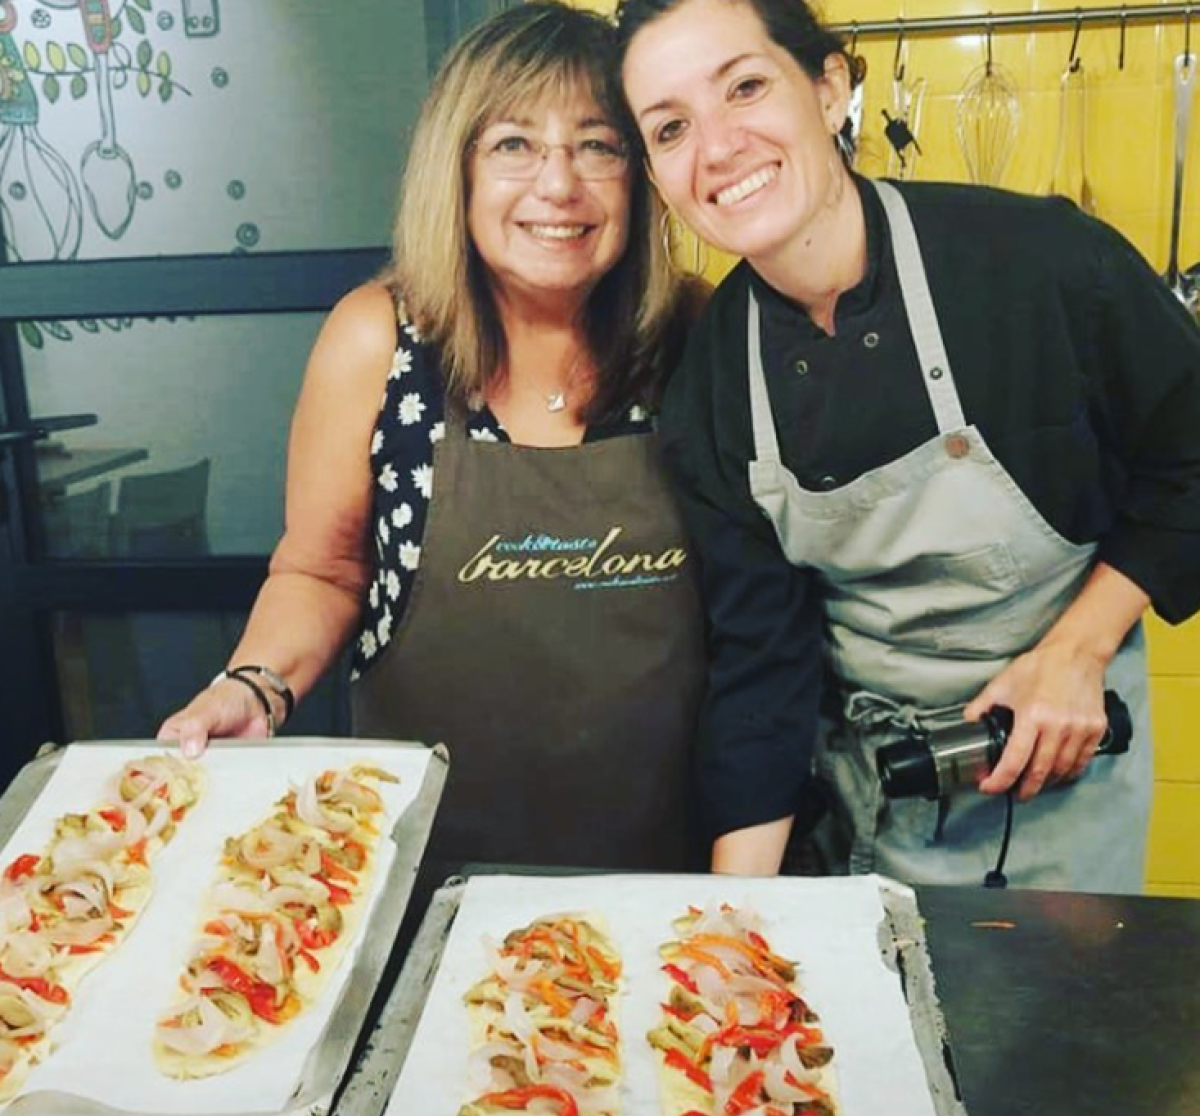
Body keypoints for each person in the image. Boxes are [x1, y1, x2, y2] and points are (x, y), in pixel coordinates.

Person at [615, 0, 1200, 891]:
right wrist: (735, 917)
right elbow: (763, 667)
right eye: (670, 128)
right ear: (657, 175)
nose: (718, 147)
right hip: (860, 809)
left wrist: (1078, 651)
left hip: (1064, 784)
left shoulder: (1039, 263)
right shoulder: (712, 386)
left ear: (829, 89)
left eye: (745, 87)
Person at [159, 2, 707, 888]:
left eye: (598, 146)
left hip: (662, 882)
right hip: (422, 875)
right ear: (457, 170)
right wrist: (254, 684)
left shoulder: (697, 337)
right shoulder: (378, 340)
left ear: (640, 178)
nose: (559, 185)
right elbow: (322, 570)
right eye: (514, 144)